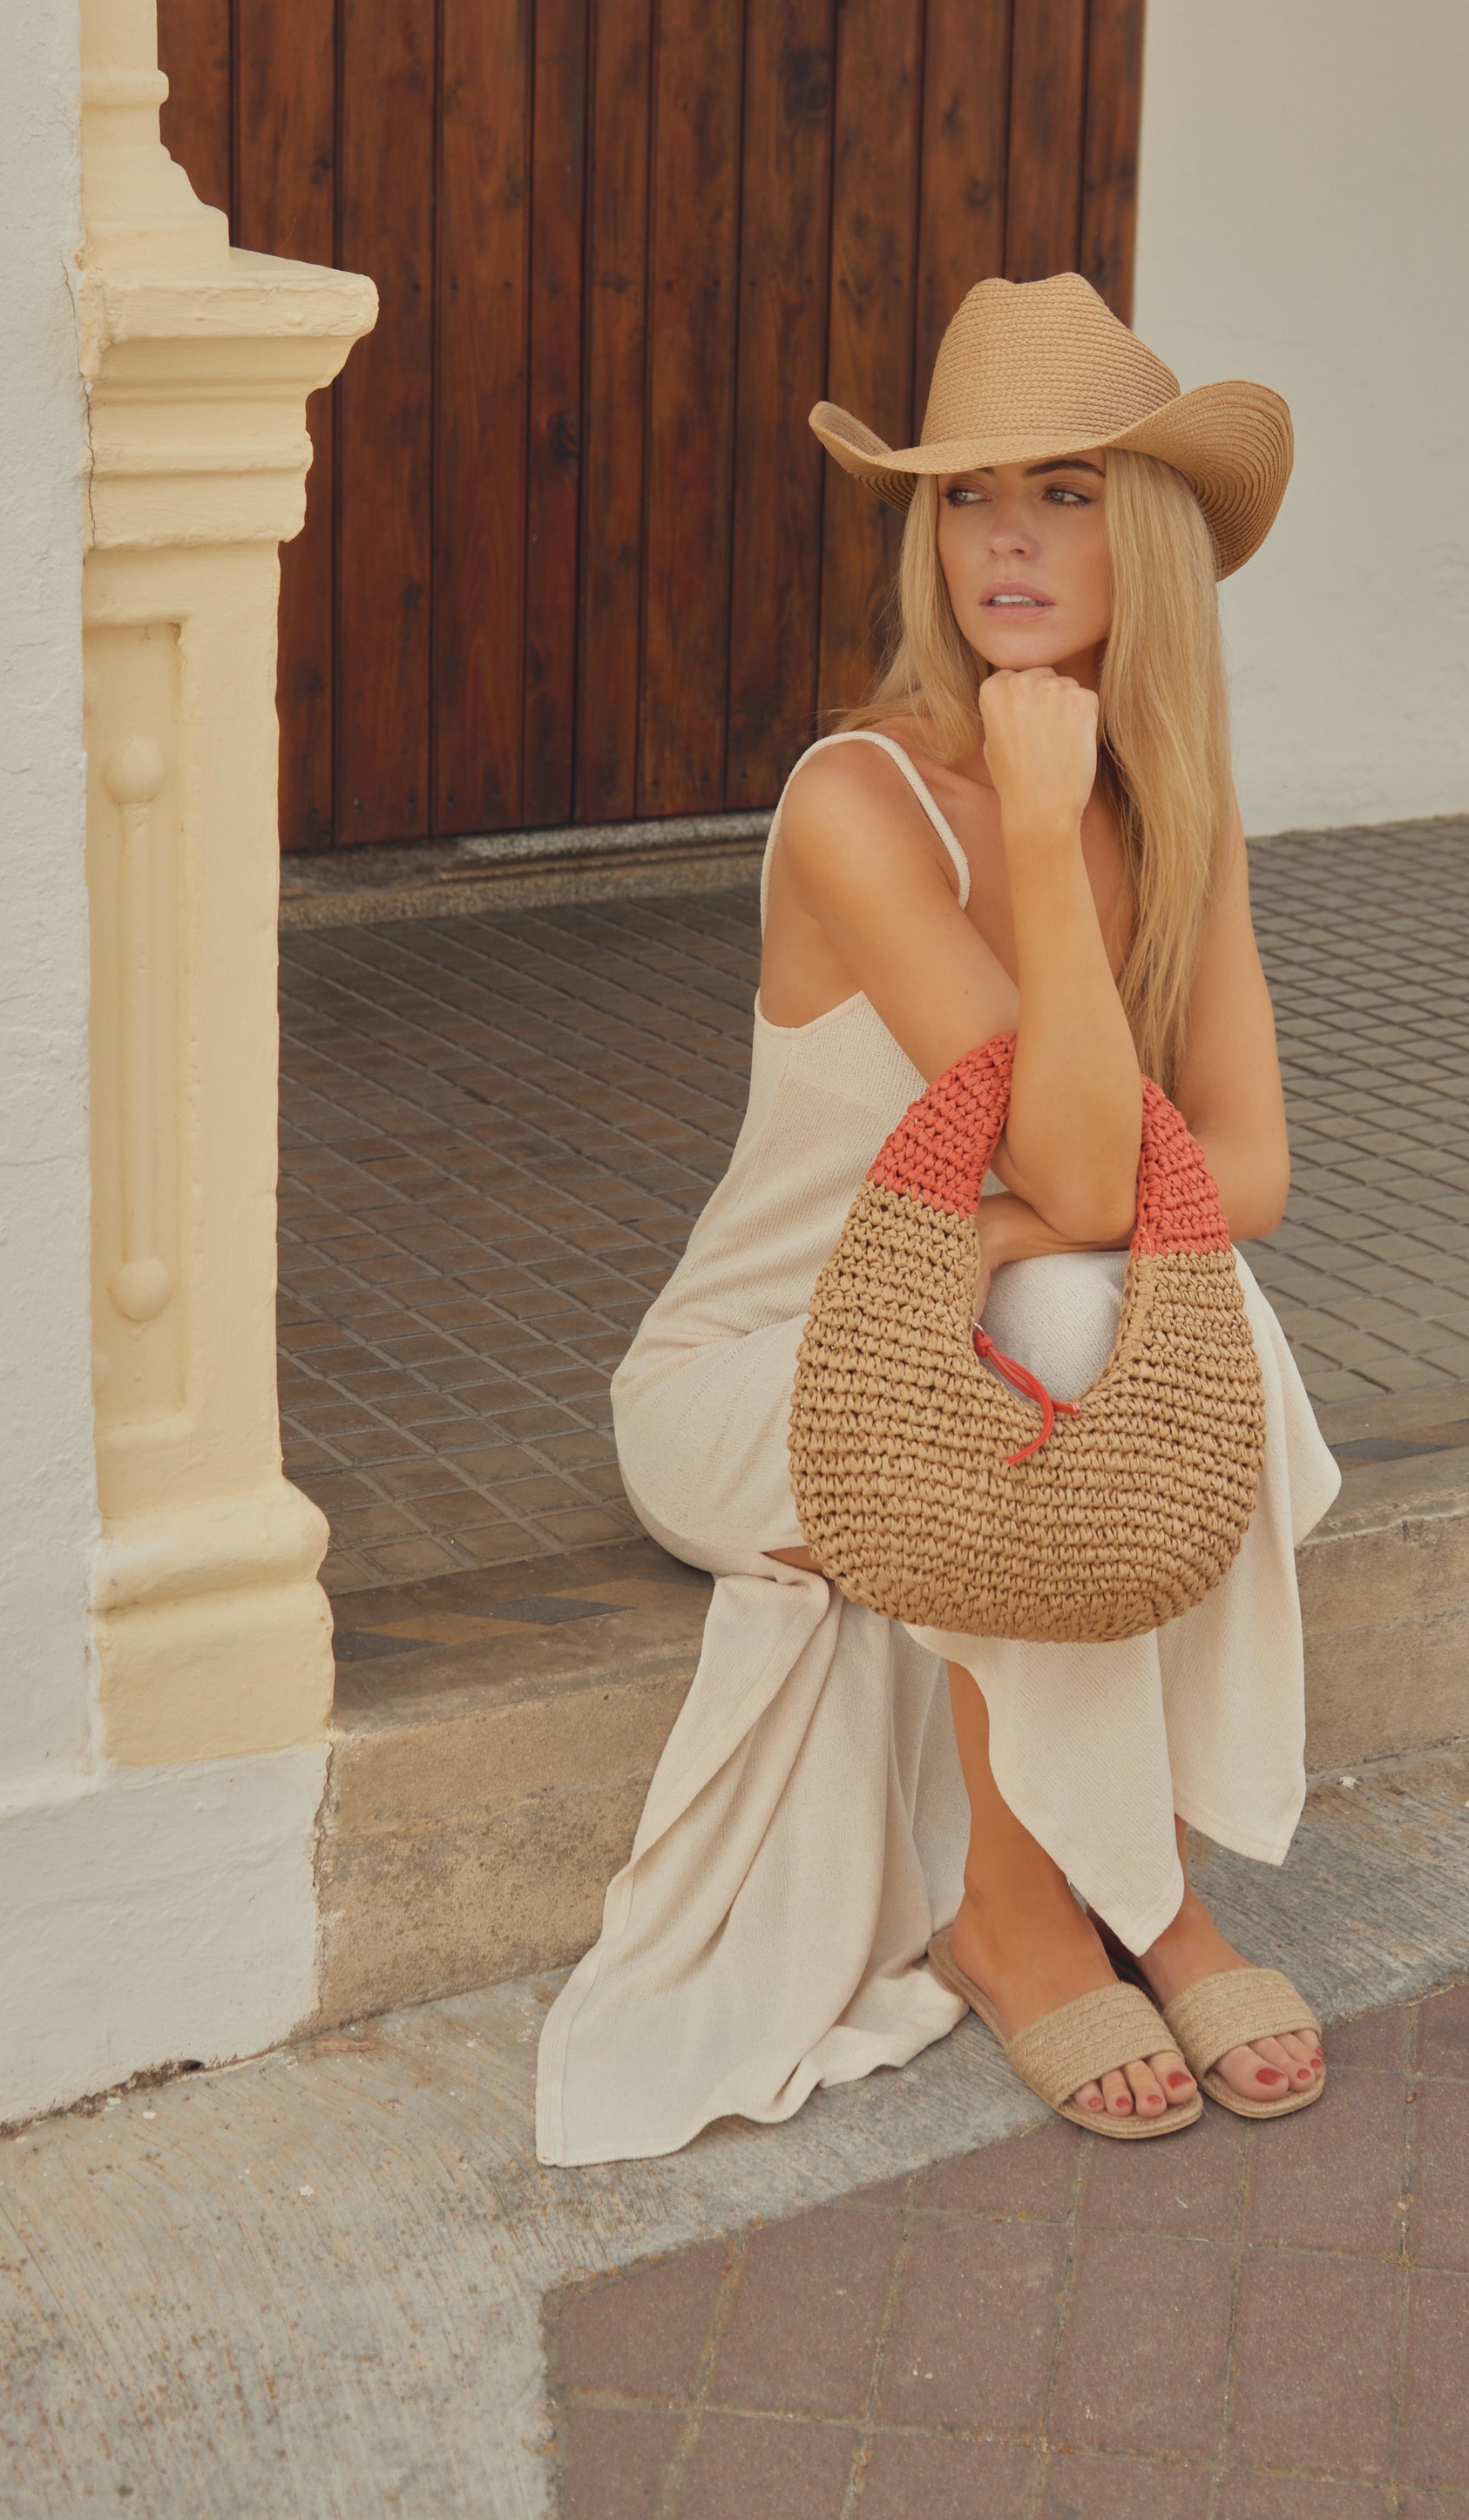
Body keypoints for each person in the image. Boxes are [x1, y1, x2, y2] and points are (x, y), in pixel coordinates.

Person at [537, 272, 1341, 2165]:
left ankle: (1122, 1884)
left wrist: (1069, 1216)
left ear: (1140, 531)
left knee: (1110, 1292)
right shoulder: (858, 801)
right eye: (970, 497)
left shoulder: (1185, 808)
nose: (1006, 537)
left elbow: (1255, 1172)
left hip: (993, 1341)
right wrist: (1044, 844)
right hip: (761, 1380)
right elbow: (1081, 1173)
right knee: (1077, 1285)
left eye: (1062, 491)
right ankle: (1049, 1905)